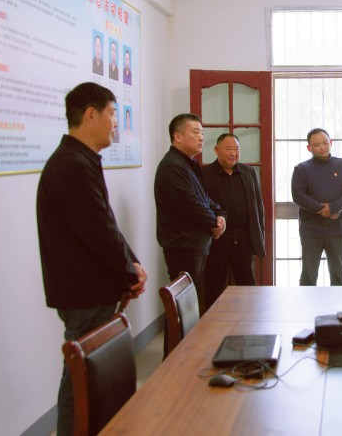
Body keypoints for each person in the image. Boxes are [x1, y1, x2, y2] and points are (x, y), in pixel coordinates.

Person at [36, 82, 147, 436]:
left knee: (89, 383)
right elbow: (98, 231)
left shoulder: (81, 160)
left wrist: (132, 265)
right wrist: (130, 272)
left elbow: (106, 223)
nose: (116, 123)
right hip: (84, 293)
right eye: (112, 114)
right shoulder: (71, 165)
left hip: (92, 291)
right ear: (90, 115)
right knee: (80, 383)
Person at [154, 113, 226, 317]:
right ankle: (177, 341)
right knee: (181, 311)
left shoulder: (188, 163)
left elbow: (204, 199)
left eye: (202, 133)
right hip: (183, 246)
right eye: (196, 132)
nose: (201, 137)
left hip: (195, 244)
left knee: (189, 307)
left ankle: (187, 340)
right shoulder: (172, 166)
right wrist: (215, 222)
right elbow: (191, 204)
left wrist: (221, 215)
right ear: (177, 136)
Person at [201, 133, 266, 307]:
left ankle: (250, 319)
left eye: (237, 149)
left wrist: (259, 235)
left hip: (243, 239)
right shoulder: (205, 174)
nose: (233, 153)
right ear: (216, 150)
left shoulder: (248, 172)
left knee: (248, 286)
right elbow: (202, 206)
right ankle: (213, 321)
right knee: (214, 287)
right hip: (217, 240)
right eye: (228, 149)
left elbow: (258, 207)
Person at [291, 128, 342, 285]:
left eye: (325, 143)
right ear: (309, 148)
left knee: (338, 275)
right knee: (308, 275)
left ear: (331, 143)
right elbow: (298, 195)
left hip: (337, 228)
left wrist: (333, 208)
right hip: (311, 229)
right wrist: (323, 210)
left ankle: (339, 302)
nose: (322, 147)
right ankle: (307, 301)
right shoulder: (301, 169)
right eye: (316, 145)